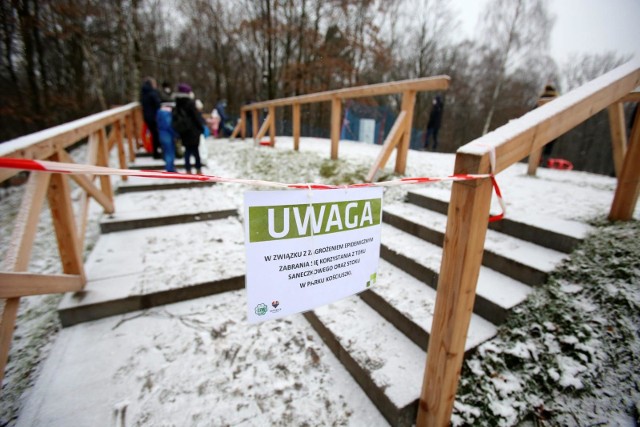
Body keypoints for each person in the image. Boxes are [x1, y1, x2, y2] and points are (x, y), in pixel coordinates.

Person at [173, 83, 206, 174]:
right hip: (193, 131)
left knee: (187, 151)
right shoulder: (190, 103)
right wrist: (201, 128)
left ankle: (188, 169)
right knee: (195, 151)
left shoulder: (177, 103)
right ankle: (198, 169)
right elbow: (196, 117)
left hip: (184, 131)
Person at [140, 77, 163, 159]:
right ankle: (156, 152)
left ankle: (155, 151)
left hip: (147, 116)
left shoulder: (143, 92)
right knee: (156, 134)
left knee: (153, 134)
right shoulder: (152, 93)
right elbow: (157, 103)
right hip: (153, 117)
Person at [539, 84, 559, 166]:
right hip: (553, 125)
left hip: (541, 123)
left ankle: (537, 160)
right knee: (549, 145)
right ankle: (544, 160)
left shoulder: (542, 98)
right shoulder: (556, 99)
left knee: (539, 144)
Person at [156, 102, 177, 172]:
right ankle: (170, 168)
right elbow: (169, 125)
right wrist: (175, 134)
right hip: (167, 134)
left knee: (166, 151)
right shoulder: (167, 114)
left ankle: (169, 166)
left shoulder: (159, 112)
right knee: (170, 152)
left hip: (161, 133)